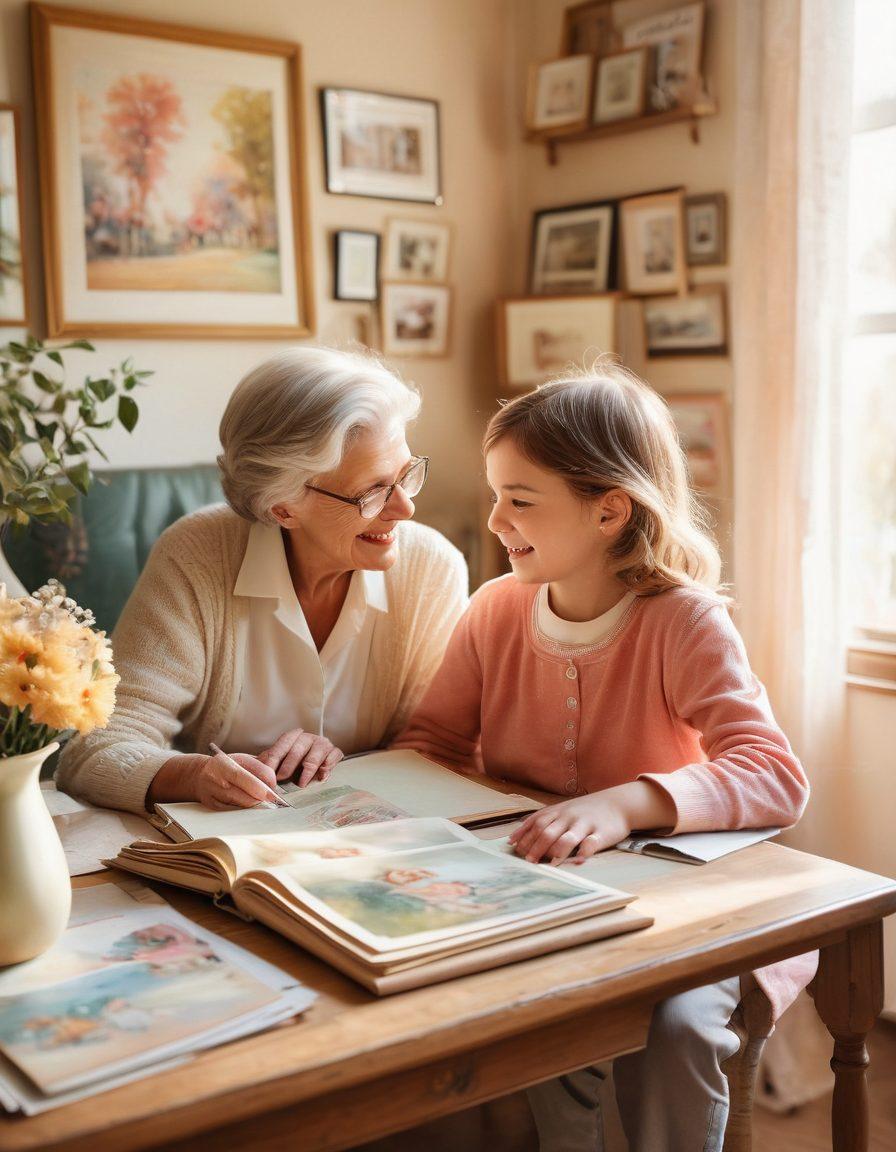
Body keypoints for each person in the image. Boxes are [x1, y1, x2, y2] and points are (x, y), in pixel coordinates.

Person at [394, 363, 815, 1152]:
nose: (494, 520)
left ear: (608, 511)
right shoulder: (493, 612)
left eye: (519, 500)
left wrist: (624, 803)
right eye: (495, 494)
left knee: (679, 1023)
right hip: (545, 901)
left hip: (684, 909)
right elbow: (430, 748)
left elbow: (774, 774)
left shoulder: (682, 622)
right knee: (557, 1011)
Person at [57, 346, 468, 815]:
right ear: (283, 507)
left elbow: (441, 747)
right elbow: (94, 749)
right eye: (373, 492)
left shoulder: (432, 568)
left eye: (406, 475)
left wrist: (348, 765)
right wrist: (195, 775)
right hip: (223, 843)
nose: (405, 509)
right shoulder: (196, 556)